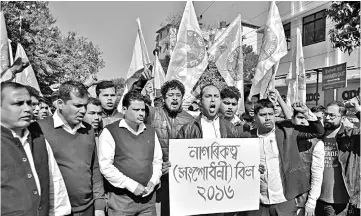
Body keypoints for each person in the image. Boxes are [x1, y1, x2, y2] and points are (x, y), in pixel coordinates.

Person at [36, 81, 106, 216]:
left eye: (85, 106)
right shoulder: (38, 130)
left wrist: (99, 207)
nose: (83, 110)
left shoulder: (89, 130)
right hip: (55, 211)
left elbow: (94, 169)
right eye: (78, 105)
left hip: (88, 209)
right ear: (61, 104)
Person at [1, 82, 71, 216]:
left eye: (29, 103)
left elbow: (54, 182)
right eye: (18, 104)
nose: (27, 109)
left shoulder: (39, 139)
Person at [246, 99, 324, 216]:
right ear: (255, 117)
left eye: (270, 114)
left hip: (284, 200)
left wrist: (306, 112)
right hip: (257, 201)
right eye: (263, 115)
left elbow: (318, 131)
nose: (268, 118)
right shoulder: (247, 137)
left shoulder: (286, 131)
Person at [131, 76, 194, 216]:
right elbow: (133, 100)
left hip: (182, 180)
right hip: (157, 179)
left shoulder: (190, 119)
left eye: (178, 95)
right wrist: (141, 82)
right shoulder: (153, 114)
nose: (175, 98)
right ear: (164, 98)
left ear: (183, 98)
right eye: (171, 95)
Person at [98, 91, 162, 216]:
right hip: (122, 201)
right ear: (124, 109)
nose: (141, 113)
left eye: (143, 110)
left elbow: (157, 161)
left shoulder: (150, 131)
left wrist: (153, 181)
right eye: (136, 110)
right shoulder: (110, 131)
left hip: (148, 201)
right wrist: (131, 185)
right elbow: (106, 166)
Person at [315, 100, 360, 216]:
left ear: (343, 118)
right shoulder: (317, 135)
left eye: (332, 115)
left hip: (342, 202)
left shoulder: (350, 136)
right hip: (316, 199)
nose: (327, 118)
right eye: (326, 114)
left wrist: (357, 111)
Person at [292, 109, 325, 216]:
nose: (303, 122)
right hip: (282, 200)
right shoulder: (284, 138)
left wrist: (311, 202)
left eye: (306, 119)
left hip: (302, 201)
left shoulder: (317, 144)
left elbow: (317, 176)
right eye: (300, 117)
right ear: (292, 119)